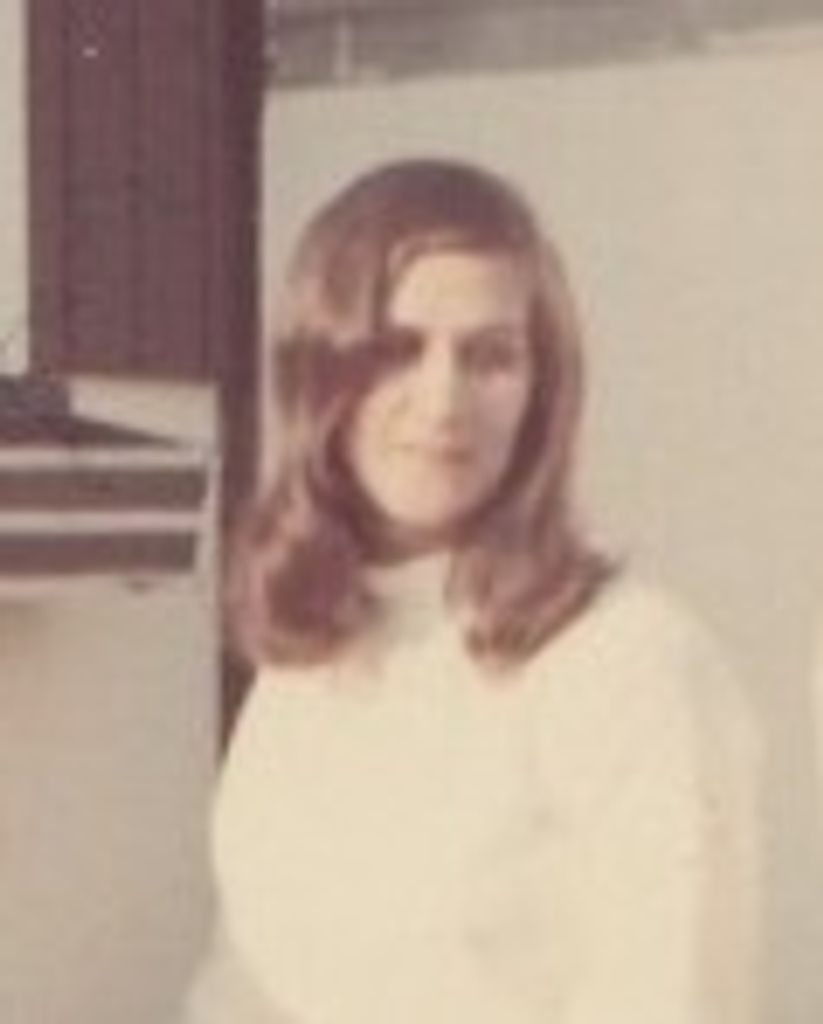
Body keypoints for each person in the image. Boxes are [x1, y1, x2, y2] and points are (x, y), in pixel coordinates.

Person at [182, 158, 762, 1023]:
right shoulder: (313, 649)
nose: (442, 400)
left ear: (542, 391)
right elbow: (245, 982)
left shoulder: (630, 663)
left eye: (489, 357)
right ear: (320, 373)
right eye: (395, 350)